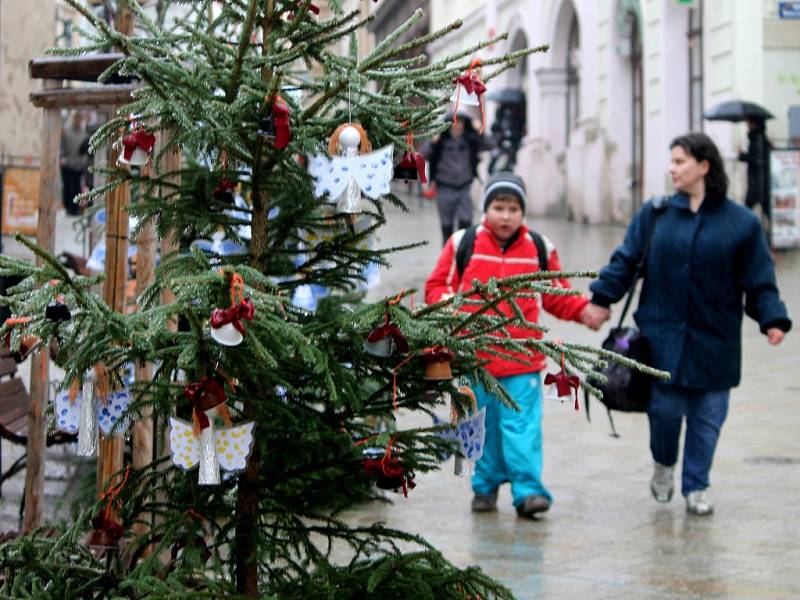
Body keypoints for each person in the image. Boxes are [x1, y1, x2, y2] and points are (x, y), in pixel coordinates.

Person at [588, 132, 791, 516]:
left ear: (704, 165)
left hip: (716, 341)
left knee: (707, 418)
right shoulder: (656, 213)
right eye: (671, 161)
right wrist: (601, 299)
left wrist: (772, 318)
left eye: (680, 161)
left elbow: (759, 279)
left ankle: (697, 484)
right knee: (663, 412)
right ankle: (664, 465)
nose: (672, 168)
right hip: (661, 338)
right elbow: (625, 260)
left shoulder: (742, 223)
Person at [425, 172, 606, 519]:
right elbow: (436, 286)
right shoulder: (462, 243)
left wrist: (585, 311)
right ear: (485, 209)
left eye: (512, 208)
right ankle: (485, 488)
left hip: (521, 362)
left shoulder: (539, 247)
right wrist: (447, 302)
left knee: (522, 429)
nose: (505, 215)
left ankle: (528, 492)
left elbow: (556, 295)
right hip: (472, 360)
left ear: (522, 212)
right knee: (478, 428)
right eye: (498, 207)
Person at [421, 113, 489, 245]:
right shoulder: (440, 141)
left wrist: (481, 130)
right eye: (454, 122)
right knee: (447, 227)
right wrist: (432, 141)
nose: (457, 126)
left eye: (460, 123)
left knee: (466, 223)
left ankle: (463, 257)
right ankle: (448, 257)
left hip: (464, 188)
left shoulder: (470, 140)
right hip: (444, 188)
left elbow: (491, 145)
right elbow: (422, 155)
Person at [738, 118, 773, 220]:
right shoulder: (762, 138)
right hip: (762, 180)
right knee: (765, 210)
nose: (747, 125)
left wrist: (742, 155)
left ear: (755, 124)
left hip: (757, 181)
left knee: (746, 212)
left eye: (749, 122)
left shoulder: (756, 139)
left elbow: (756, 158)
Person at [60, 111, 89, 216]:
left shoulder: (83, 132)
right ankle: (68, 208)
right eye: (76, 118)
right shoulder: (66, 130)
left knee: (77, 187)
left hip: (79, 164)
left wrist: (84, 160)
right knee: (68, 187)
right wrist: (62, 158)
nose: (78, 120)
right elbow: (61, 145)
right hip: (67, 163)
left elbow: (85, 147)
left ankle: (76, 208)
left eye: (79, 118)